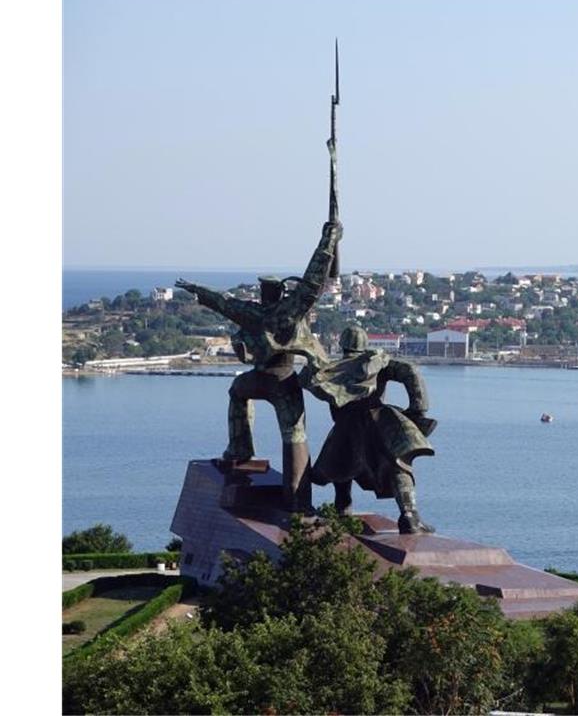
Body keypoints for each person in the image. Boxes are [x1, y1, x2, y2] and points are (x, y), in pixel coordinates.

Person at [175, 220, 341, 512]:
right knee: (294, 434)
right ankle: (298, 499)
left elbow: (222, 302)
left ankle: (240, 448)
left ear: (264, 292)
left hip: (258, 378)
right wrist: (328, 240)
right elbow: (313, 281)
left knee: (237, 392)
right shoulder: (291, 310)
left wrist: (195, 289)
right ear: (281, 292)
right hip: (284, 380)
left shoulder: (251, 312)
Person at [302, 325, 437, 533]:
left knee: (341, 468)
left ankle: (342, 510)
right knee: (399, 465)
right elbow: (410, 371)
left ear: (342, 344)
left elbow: (303, 382)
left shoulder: (332, 369)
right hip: (380, 422)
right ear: (365, 344)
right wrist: (418, 409)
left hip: (346, 427)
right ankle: (409, 515)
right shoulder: (377, 362)